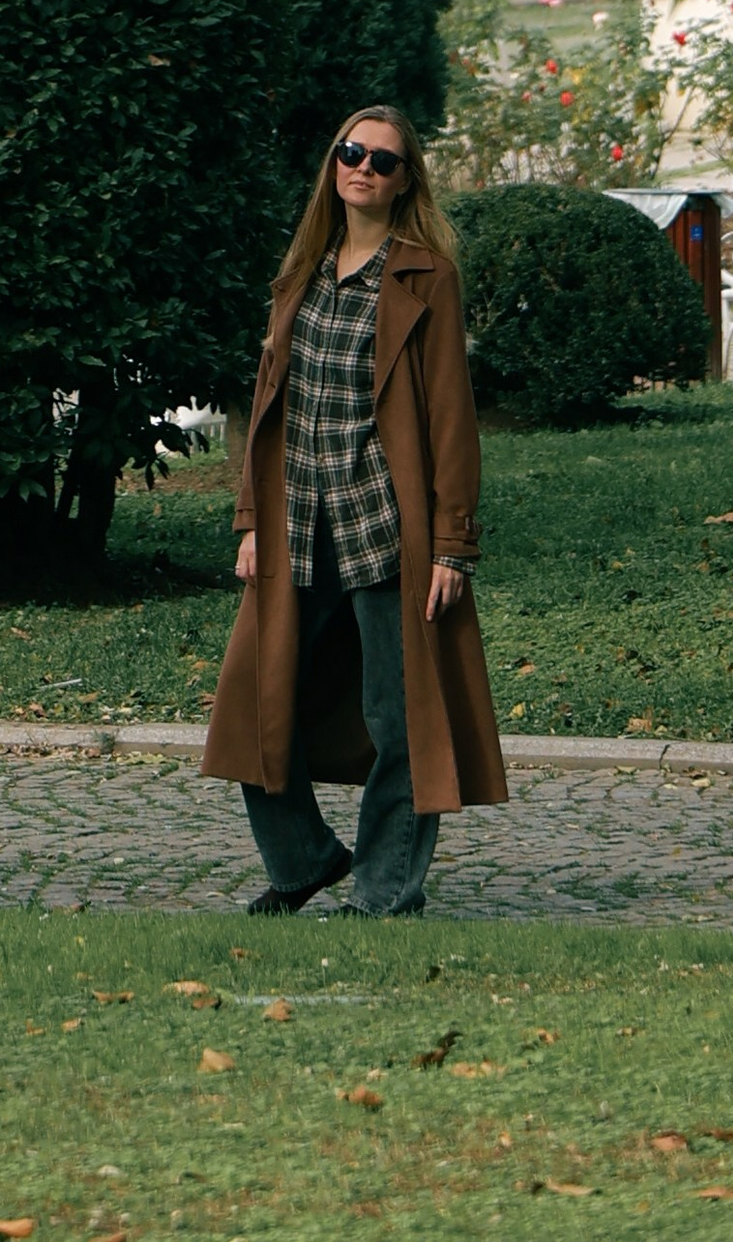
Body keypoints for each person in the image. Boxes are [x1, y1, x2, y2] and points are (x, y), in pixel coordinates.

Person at [202, 103, 506, 914]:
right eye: (350, 152)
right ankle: (303, 861)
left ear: (406, 181)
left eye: (382, 160)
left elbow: (451, 417)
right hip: (296, 525)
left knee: (401, 718)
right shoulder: (301, 272)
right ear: (332, 165)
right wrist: (250, 521)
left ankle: (384, 892)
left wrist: (452, 544)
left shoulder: (426, 277)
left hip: (386, 528)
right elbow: (271, 407)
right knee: (254, 709)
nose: (363, 168)